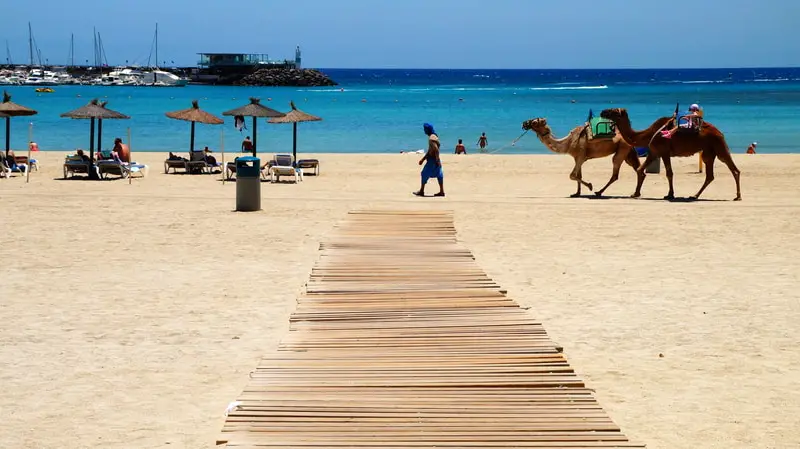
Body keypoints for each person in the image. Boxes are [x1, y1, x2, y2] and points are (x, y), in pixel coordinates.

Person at [414, 123, 445, 197]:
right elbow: (430, 150)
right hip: (435, 159)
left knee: (424, 173)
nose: (424, 130)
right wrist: (423, 159)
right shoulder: (434, 136)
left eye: (425, 129)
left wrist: (436, 160)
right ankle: (442, 191)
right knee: (439, 174)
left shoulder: (431, 138)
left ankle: (421, 191)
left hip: (432, 160)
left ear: (428, 129)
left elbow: (436, 150)